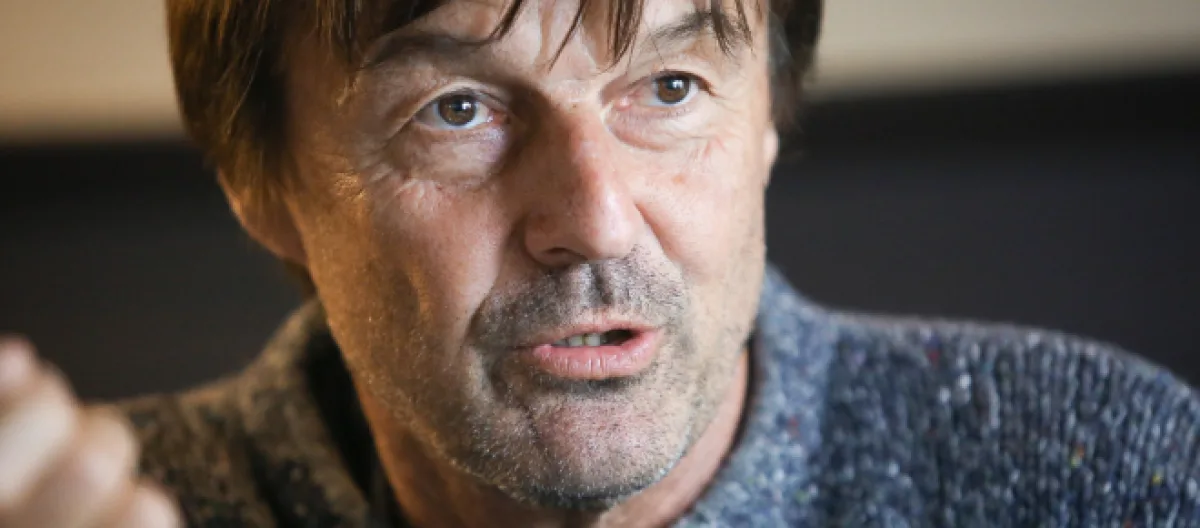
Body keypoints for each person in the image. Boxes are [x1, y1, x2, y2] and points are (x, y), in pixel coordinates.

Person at [1, 0, 1198, 526]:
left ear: (767, 121)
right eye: (457, 111)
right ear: (261, 187)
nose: (596, 219)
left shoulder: (1104, 478)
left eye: (668, 88)